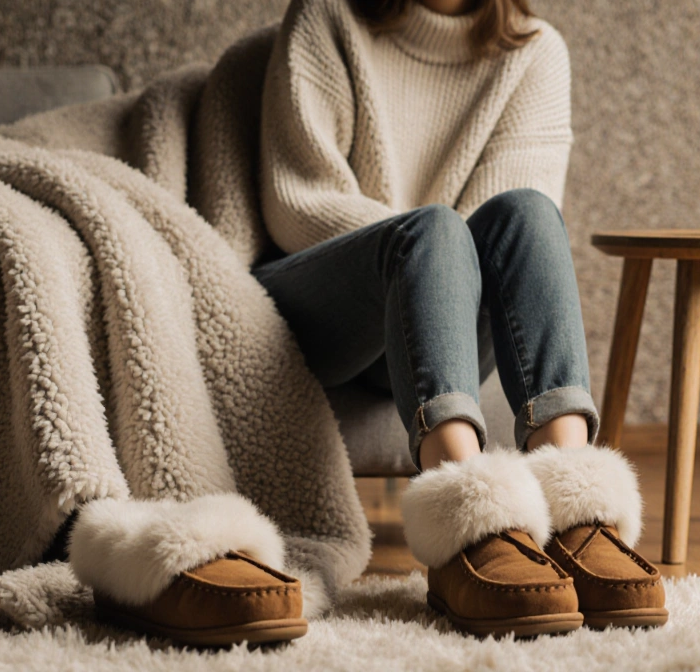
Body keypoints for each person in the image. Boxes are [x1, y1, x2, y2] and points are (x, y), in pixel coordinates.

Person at [252, 0, 668, 636]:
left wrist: (435, 263)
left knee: (529, 213)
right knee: (437, 231)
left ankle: (575, 510)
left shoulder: (534, 52)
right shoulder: (329, 16)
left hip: (442, 320)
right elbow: (297, 204)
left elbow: (498, 251)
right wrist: (425, 246)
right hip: (325, 310)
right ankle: (466, 518)